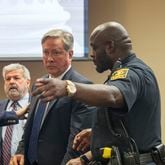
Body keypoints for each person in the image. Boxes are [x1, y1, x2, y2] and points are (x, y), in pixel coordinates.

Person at [30, 21, 164, 165]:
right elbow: (129, 129)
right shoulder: (123, 72)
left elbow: (113, 95)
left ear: (110, 47)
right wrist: (99, 135)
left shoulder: (132, 72)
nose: (92, 54)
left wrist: (68, 87)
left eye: (94, 48)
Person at [10, 29, 96, 165]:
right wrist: (20, 151)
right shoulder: (38, 84)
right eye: (46, 52)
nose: (49, 58)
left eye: (56, 52)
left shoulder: (81, 87)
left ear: (70, 54)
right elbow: (30, 127)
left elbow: (78, 143)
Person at [0, 63, 31, 165]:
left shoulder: (37, 105)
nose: (11, 82)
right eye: (8, 79)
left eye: (16, 78)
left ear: (27, 82)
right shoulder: (0, 107)